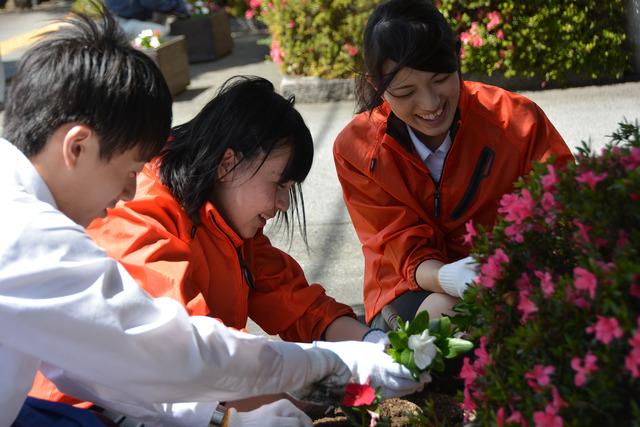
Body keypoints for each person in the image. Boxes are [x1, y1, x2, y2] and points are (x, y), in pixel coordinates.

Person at [0, 11, 420, 427]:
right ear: (77, 147)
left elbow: (289, 303)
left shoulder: (227, 219)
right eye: (127, 171)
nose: (126, 191)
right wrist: (328, 371)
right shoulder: (47, 231)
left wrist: (362, 346)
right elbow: (178, 352)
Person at [333, 0, 574, 330]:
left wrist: (505, 273)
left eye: (441, 79)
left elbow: (562, 210)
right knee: (444, 311)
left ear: (457, 60)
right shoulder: (356, 149)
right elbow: (399, 245)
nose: (430, 104)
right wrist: (450, 277)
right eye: (405, 91)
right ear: (379, 88)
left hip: (513, 278)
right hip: (408, 285)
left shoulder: (517, 121)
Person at [104, 0, 189, 39]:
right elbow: (155, 3)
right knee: (161, 31)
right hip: (123, 24)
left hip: (114, 22)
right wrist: (181, 7)